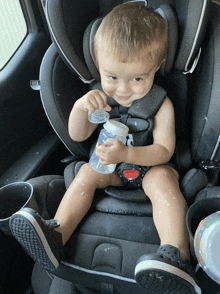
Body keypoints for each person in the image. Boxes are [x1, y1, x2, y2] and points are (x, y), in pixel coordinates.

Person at [9, 3, 201, 294]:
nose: (123, 90)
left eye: (138, 79)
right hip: (110, 170)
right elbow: (77, 135)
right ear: (98, 66)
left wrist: (127, 154)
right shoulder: (98, 99)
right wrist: (79, 108)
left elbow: (163, 149)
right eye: (112, 77)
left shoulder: (162, 103)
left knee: (164, 181)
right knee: (86, 173)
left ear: (156, 68)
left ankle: (175, 256)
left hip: (149, 169)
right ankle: (57, 234)